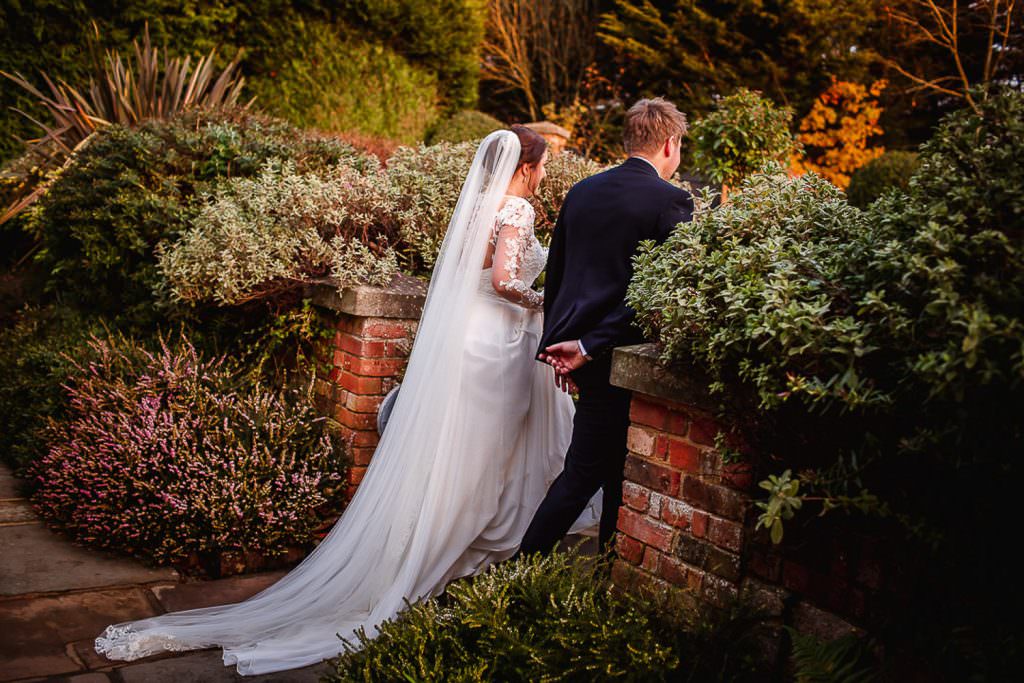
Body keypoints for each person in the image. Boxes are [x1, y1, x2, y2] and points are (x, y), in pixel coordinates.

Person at [95, 126, 598, 676]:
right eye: (543, 165)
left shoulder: (477, 204)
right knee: (483, 448)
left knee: (456, 446)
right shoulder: (517, 210)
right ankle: (453, 546)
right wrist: (545, 301)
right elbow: (503, 281)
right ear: (525, 167)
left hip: (469, 338)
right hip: (498, 339)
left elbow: (473, 277)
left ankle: (441, 539)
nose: (546, 174)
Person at [518, 97, 694, 556]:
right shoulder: (672, 199)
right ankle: (516, 572)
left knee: (614, 467)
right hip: (615, 354)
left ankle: (608, 566)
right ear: (670, 144)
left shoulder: (583, 191)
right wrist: (586, 346)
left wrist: (559, 344)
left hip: (582, 353)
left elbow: (558, 273)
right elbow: (659, 292)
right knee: (584, 472)